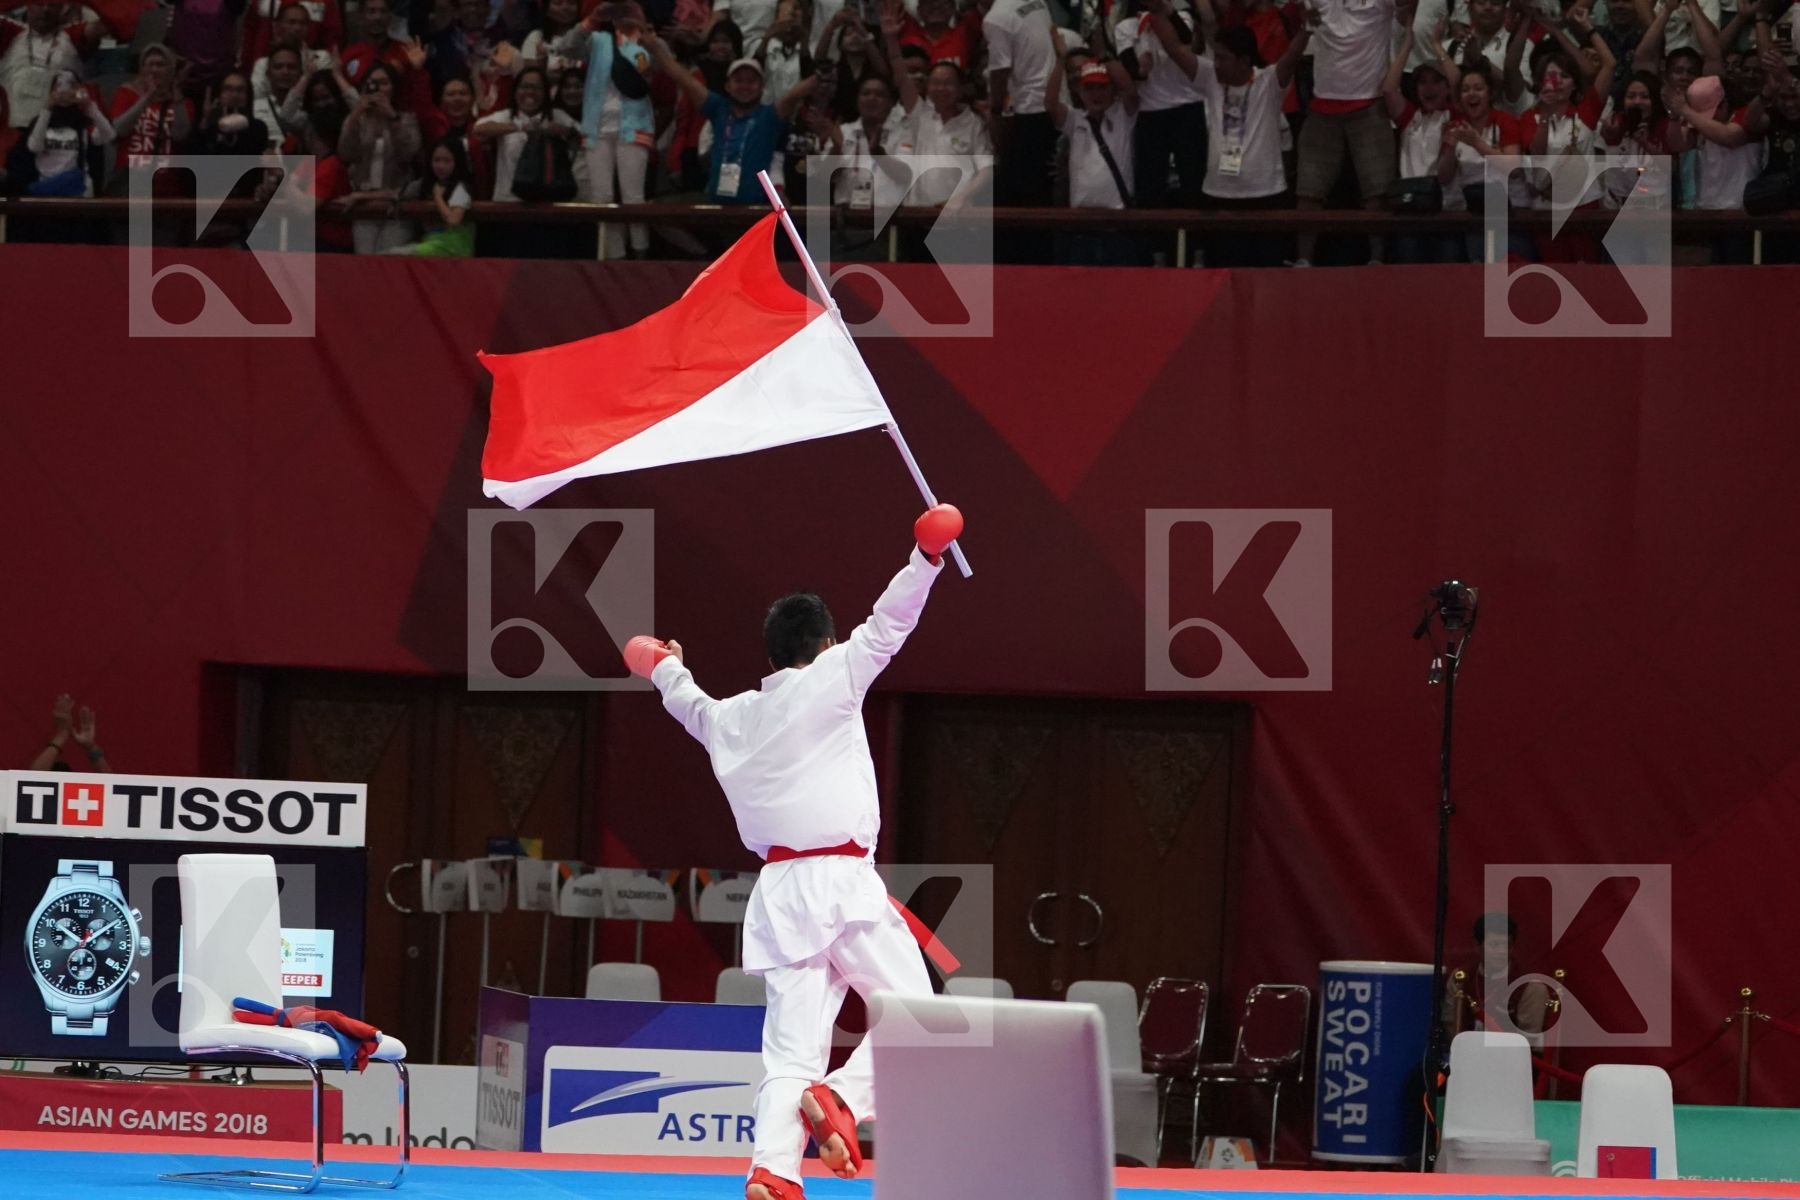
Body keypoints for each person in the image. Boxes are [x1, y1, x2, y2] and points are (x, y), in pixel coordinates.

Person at [627, 503, 965, 1200]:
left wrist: (661, 665)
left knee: (789, 1052)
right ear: (826, 641)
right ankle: (841, 1099)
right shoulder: (833, 676)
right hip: (840, 883)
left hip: (780, 895)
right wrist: (925, 560)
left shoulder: (731, 719)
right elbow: (888, 625)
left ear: (771, 655)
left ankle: (774, 1172)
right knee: (922, 1019)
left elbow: (688, 701)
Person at [1154, 0, 1309, 266]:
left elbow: (1291, 56)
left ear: (1244, 60)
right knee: (1222, 276)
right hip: (1218, 196)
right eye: (1216, 57)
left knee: (1264, 277)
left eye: (1223, 58)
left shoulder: (1268, 82)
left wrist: (1307, 29)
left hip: (1265, 195)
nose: (1216, 64)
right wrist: (1157, 10)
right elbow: (1174, 49)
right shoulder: (1209, 79)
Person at [646, 30, 818, 204]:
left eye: (751, 81)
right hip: (718, 205)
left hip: (756, 207)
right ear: (727, 85)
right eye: (738, 81)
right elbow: (685, 80)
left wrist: (820, 75)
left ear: (761, 87)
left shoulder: (769, 116)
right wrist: (656, 50)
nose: (744, 86)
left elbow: (795, 94)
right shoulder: (719, 109)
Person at [1292, 0, 1401, 267]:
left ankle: (1377, 260)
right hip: (1322, 104)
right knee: (1308, 190)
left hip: (1369, 102)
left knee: (1377, 191)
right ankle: (1303, 260)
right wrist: (1302, 15)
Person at [557, 4, 656, 256]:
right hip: (596, 128)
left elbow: (652, 70)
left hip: (634, 127)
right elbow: (566, 47)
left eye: (627, 11)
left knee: (634, 197)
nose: (622, 16)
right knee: (601, 198)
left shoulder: (647, 42)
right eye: (618, 12)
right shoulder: (599, 40)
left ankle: (641, 255)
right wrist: (591, 19)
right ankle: (612, 257)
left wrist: (641, 33)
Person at [1044, 44, 1141, 264]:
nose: (1096, 94)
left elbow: (1130, 90)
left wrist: (1103, 56)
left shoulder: (1123, 117)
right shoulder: (1075, 120)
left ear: (1112, 90)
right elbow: (1050, 103)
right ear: (1079, 91)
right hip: (1082, 225)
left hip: (1118, 225)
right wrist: (1061, 61)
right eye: (1089, 88)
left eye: (1102, 87)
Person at [1382, 12, 1461, 261]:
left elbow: (1458, 82)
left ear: (1446, 88)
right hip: (1409, 207)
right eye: (1422, 82)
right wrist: (1407, 46)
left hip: (1445, 210)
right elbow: (1388, 89)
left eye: (1436, 82)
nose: (1428, 88)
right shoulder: (1410, 117)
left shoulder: (1453, 116)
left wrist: (1436, 45)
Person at [984, 0, 1059, 259]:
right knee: (1042, 192)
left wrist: (995, 110)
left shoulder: (996, 17)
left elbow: (999, 71)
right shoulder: (1035, 1)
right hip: (1053, 103)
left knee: (1017, 198)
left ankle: (1021, 263)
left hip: (1031, 111)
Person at [1117, 0, 1207, 209]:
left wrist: (1167, 11)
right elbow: (1129, 66)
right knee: (1150, 185)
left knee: (1194, 178)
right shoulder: (1126, 27)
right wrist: (1141, 71)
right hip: (1151, 109)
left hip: (1187, 105)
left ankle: (1196, 229)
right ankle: (1151, 230)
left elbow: (1185, 39)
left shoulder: (1182, 17)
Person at [339, 61, 422, 252]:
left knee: (389, 259)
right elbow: (345, 153)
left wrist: (392, 117)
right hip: (363, 204)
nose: (378, 88)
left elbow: (409, 153)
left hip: (396, 203)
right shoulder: (357, 120)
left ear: (393, 87)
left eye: (384, 83)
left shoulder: (406, 118)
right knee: (365, 260)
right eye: (373, 83)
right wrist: (355, 117)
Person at [1443, 912, 1551, 1047]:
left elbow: (1528, 1040)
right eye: (1494, 945)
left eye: (1507, 945)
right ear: (1477, 945)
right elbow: (1451, 1024)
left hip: (1511, 1055)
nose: (1502, 951)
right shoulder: (1461, 978)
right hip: (1467, 1051)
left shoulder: (1530, 987)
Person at [106, 44, 193, 177]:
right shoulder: (127, 93)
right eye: (149, 65)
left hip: (165, 179)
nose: (154, 70)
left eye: (160, 65)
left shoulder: (182, 103)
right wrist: (147, 97)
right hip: (130, 177)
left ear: (171, 70)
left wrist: (176, 97)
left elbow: (180, 135)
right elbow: (118, 130)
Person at [27, 70, 111, 197]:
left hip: (79, 189)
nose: (64, 91)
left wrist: (89, 105)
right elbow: (34, 147)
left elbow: (108, 135)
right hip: (48, 188)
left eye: (71, 85)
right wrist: (48, 108)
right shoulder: (41, 121)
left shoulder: (85, 122)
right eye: (59, 85)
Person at [386, 135, 477, 253]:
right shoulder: (423, 184)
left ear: (457, 162)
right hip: (430, 242)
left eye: (447, 161)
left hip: (453, 247)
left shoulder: (460, 187)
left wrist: (438, 197)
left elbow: (454, 220)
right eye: (437, 160)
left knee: (394, 255)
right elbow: (399, 193)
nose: (441, 166)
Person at [0, 4, 83, 132]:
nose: (45, 9)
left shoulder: (73, 36)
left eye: (52, 4)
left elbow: (112, 21)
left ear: (62, 8)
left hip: (57, 134)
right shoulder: (11, 32)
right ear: (28, 6)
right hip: (12, 132)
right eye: (38, 3)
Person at [29, 694, 111, 773]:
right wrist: (61, 735)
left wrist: (91, 746)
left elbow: (111, 781)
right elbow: (33, 778)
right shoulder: (36, 780)